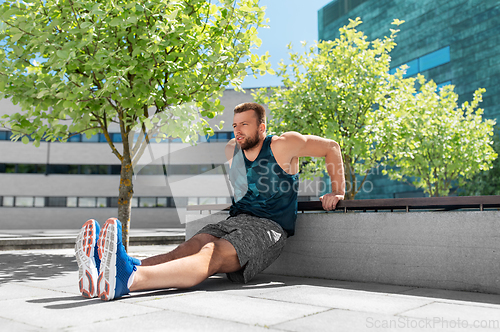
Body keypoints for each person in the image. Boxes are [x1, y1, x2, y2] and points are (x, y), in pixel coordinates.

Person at [75, 102, 345, 301]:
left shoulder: (284, 144)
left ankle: (128, 280)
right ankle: (107, 271)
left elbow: (331, 147)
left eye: (245, 125)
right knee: (186, 248)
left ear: (262, 127)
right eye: (235, 125)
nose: (238, 131)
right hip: (236, 220)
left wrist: (338, 191)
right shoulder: (231, 149)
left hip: (268, 228)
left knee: (212, 253)